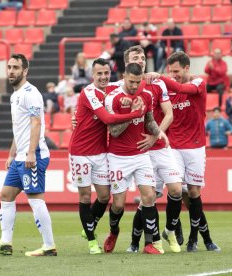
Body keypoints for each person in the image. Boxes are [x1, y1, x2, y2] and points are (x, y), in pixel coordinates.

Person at [106, 46, 182, 254]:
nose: (134, 86)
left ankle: (152, 242)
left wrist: (159, 134)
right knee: (118, 205)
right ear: (124, 74)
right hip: (119, 156)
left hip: (142, 154)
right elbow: (114, 131)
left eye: (137, 82)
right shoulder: (113, 95)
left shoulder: (148, 91)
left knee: (149, 197)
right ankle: (114, 232)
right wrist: (131, 113)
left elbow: (149, 120)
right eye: (131, 81)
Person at [0, 54, 57, 257]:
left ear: (25, 71)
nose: (11, 71)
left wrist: (31, 152)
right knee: (6, 194)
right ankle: (5, 243)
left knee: (34, 197)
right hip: (20, 156)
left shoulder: (31, 93)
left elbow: (35, 123)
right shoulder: (15, 95)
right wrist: (12, 154)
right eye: (9, 67)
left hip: (33, 155)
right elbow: (19, 128)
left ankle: (49, 245)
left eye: (16, 67)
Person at [146, 51, 221, 252]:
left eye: (177, 71)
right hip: (174, 148)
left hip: (196, 147)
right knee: (177, 190)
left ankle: (197, 239)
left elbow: (179, 87)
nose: (174, 75)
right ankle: (173, 227)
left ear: (187, 68)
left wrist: (160, 76)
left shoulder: (198, 84)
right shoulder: (167, 91)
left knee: (193, 194)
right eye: (170, 72)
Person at [69, 58, 144, 254]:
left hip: (101, 152)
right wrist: (135, 114)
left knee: (104, 196)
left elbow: (138, 80)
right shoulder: (88, 92)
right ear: (92, 75)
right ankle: (92, 241)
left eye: (105, 73)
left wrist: (155, 75)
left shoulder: (113, 88)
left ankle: (89, 226)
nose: (103, 77)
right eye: (99, 74)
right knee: (85, 196)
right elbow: (108, 119)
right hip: (81, 152)